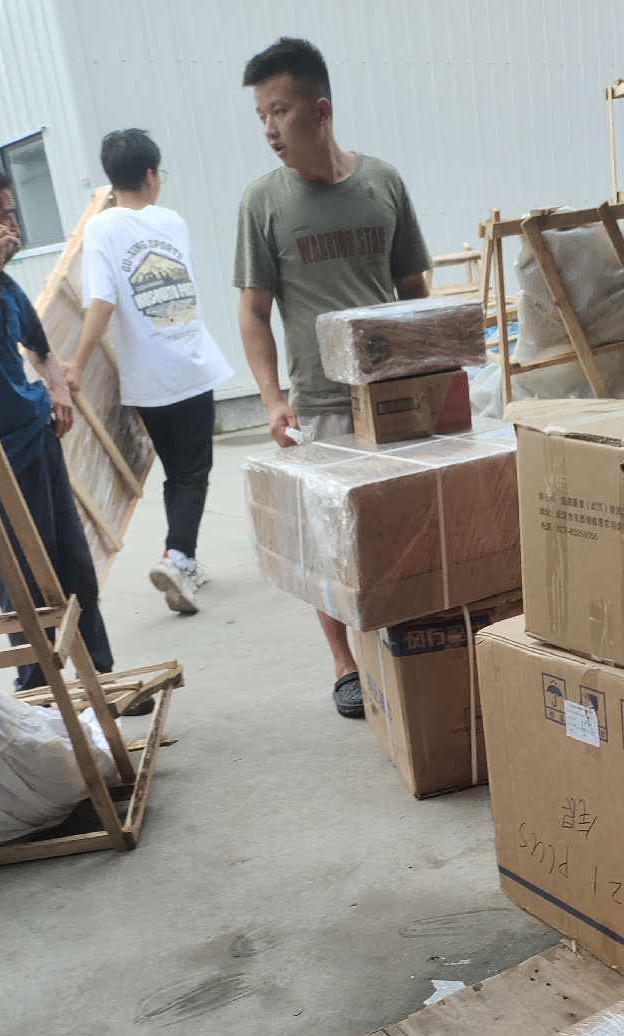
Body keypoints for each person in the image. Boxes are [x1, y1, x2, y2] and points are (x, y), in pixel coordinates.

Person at [234, 35, 432, 719]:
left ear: (320, 110)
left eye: (279, 111)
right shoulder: (263, 202)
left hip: (393, 395)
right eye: (261, 115)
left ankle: (404, 643)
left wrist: (427, 377)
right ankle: (346, 665)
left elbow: (414, 288)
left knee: (400, 527)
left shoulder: (383, 184)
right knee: (330, 543)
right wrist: (271, 399)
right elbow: (253, 312)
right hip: (319, 401)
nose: (269, 129)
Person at [0, 155, 117, 695]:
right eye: (4, 216)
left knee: (73, 565)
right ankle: (38, 690)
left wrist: (57, 387)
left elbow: (39, 345)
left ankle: (101, 681)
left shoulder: (5, 281)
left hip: (37, 436)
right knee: (23, 576)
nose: (15, 228)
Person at [65, 128, 232, 617]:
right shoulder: (171, 221)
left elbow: (101, 301)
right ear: (151, 175)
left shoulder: (101, 227)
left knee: (177, 471)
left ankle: (182, 557)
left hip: (149, 380)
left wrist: (77, 361)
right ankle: (177, 557)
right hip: (191, 365)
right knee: (193, 472)